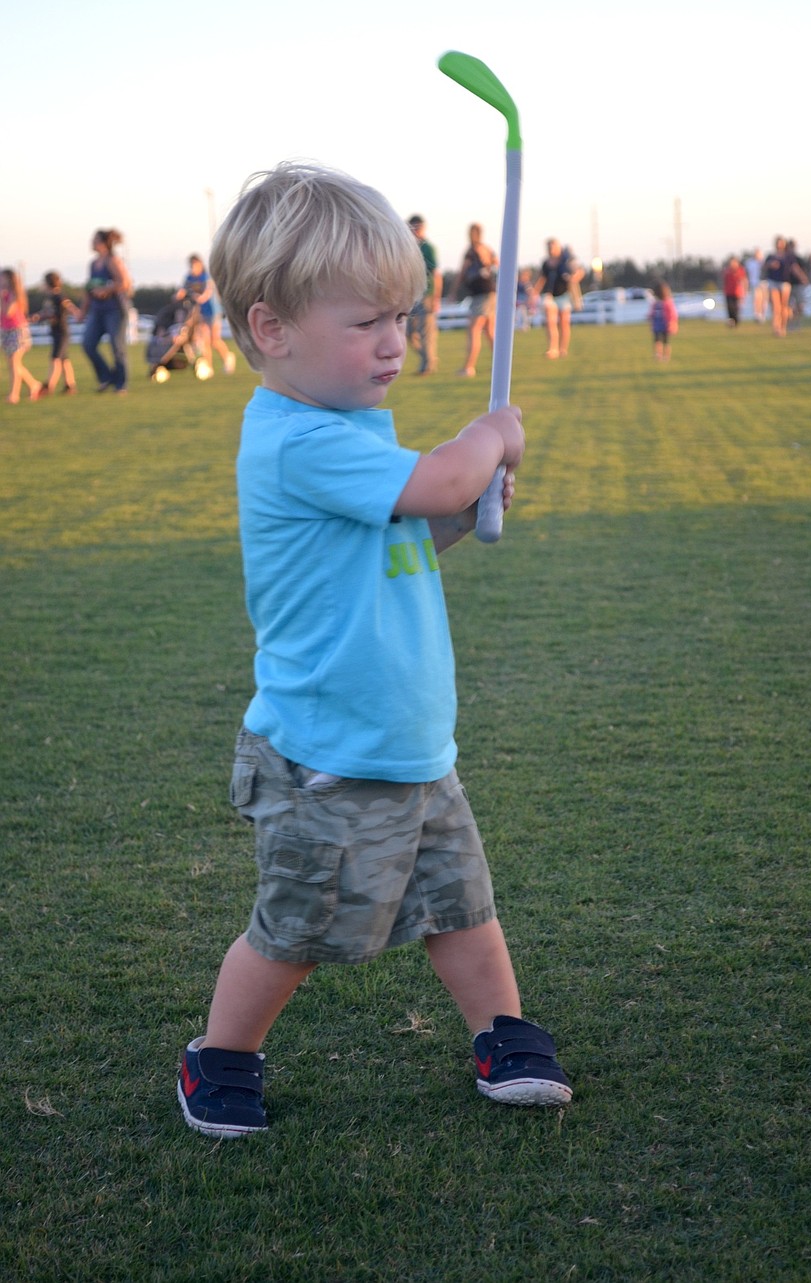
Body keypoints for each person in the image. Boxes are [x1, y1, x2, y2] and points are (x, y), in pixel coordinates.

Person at [176, 160, 572, 1138]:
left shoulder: (348, 429)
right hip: (329, 753)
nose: (396, 344)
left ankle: (503, 1030)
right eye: (367, 323)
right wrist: (486, 441)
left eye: (404, 316)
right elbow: (436, 479)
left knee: (459, 902)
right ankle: (216, 1057)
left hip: (407, 745)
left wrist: (447, 514)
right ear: (272, 329)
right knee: (297, 928)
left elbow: (396, 540)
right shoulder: (297, 437)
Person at [79, 229, 132, 392]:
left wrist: (106, 290)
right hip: (97, 310)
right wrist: (83, 311)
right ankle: (106, 377)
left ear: (104, 243)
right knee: (88, 344)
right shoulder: (93, 264)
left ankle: (120, 384)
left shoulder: (113, 261)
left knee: (117, 347)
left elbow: (125, 283)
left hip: (114, 310)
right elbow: (89, 290)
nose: (92, 243)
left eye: (95, 240)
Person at [175, 254, 237, 375]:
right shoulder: (189, 277)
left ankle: (228, 358)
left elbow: (207, 292)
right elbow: (182, 290)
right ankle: (208, 367)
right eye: (191, 265)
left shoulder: (206, 277)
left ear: (200, 264)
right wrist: (178, 295)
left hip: (212, 311)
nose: (193, 267)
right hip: (199, 313)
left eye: (195, 265)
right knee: (204, 340)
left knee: (215, 340)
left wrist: (200, 297)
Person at [452, 223, 498, 377]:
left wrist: (453, 291)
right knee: (490, 332)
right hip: (490, 293)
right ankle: (500, 364)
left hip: (481, 295)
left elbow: (461, 272)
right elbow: (496, 263)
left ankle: (469, 367)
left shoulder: (471, 251)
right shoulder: (486, 249)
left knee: (474, 330)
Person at [532, 239, 585, 359]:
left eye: (553, 247)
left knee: (564, 323)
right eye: (549, 247)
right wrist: (535, 292)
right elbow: (542, 278)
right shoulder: (546, 263)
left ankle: (563, 349)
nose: (551, 249)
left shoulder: (567, 261)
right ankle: (552, 349)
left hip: (565, 295)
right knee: (550, 322)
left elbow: (580, 271)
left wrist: (574, 278)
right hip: (550, 295)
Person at [30, 271, 81, 394]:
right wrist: (38, 316)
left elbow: (67, 305)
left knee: (55, 358)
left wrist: (77, 313)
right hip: (57, 331)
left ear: (48, 283)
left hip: (61, 331)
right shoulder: (51, 297)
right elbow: (48, 311)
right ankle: (70, 385)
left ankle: (49, 386)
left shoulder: (58, 296)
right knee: (64, 359)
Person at [1, 268, 43, 404]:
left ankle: (14, 395)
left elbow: (8, 312)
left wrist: (2, 298)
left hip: (17, 330)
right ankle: (34, 385)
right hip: (6, 330)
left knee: (14, 362)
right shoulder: (4, 294)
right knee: (14, 364)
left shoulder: (14, 294)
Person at [406, 216, 441, 375]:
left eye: (418, 228)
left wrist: (436, 298)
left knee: (426, 332)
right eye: (413, 228)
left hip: (426, 294)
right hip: (411, 296)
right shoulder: (407, 249)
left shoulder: (427, 248)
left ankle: (426, 366)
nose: (415, 232)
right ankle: (429, 358)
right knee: (409, 334)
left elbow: (436, 274)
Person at [764, 236, 792, 337]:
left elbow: (794, 268)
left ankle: (783, 327)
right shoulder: (771, 256)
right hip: (773, 282)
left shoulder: (788, 256)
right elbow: (765, 265)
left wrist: (802, 277)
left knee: (784, 306)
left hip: (784, 283)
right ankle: (776, 327)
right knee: (776, 307)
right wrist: (770, 264)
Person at [648, 281, 678, 361]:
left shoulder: (668, 302)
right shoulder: (655, 303)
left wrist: (671, 323)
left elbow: (672, 313)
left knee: (665, 341)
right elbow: (652, 312)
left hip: (665, 324)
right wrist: (650, 317)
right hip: (657, 325)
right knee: (657, 340)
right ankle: (658, 355)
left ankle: (666, 356)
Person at [722, 256, 748, 327]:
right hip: (728, 292)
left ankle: (736, 321)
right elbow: (725, 281)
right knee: (730, 308)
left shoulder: (741, 270)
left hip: (737, 293)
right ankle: (731, 321)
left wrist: (744, 292)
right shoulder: (727, 271)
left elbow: (744, 281)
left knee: (736, 308)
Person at [744, 248, 767, 322]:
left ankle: (763, 314)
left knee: (763, 300)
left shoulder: (763, 262)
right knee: (756, 299)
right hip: (754, 282)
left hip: (763, 282)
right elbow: (747, 273)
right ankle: (757, 314)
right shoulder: (749, 262)